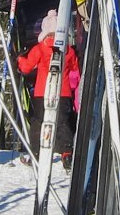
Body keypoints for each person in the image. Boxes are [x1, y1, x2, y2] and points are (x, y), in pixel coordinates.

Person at [17, 9, 77, 158]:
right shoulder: (68, 51)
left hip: (42, 92)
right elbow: (75, 69)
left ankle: (36, 151)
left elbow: (26, 67)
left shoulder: (39, 49)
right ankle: (66, 151)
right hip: (63, 92)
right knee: (62, 121)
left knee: (39, 120)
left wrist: (19, 59)